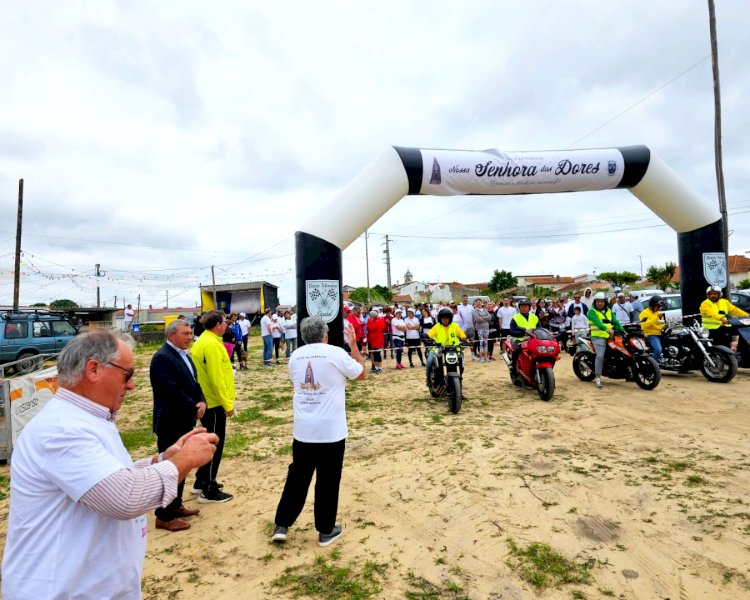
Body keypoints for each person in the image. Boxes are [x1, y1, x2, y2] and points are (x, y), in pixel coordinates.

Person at [1, 331, 218, 599]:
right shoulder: (62, 429)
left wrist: (162, 460)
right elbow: (125, 497)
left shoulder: (85, 418)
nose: (131, 386)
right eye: (127, 375)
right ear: (93, 369)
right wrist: (186, 460)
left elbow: (110, 478)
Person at [271, 317, 366, 547]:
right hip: (331, 432)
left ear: (303, 336)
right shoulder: (335, 353)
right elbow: (361, 373)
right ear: (325, 334)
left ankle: (282, 524)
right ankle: (325, 530)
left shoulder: (295, 356)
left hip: (303, 430)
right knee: (328, 480)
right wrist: (353, 345)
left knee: (297, 477)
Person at [150, 319, 207, 531]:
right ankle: (163, 515)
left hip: (185, 418)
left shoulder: (184, 355)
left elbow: (195, 383)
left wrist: (201, 400)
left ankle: (175, 505)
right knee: (170, 468)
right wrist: (193, 406)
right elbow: (170, 390)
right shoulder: (162, 358)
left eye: (190, 332)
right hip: (170, 421)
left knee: (182, 465)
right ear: (171, 335)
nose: (189, 336)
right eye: (185, 333)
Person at [191, 310, 235, 503]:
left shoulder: (203, 340)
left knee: (209, 440)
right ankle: (208, 488)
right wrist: (227, 404)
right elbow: (216, 379)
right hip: (214, 402)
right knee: (214, 444)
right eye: (225, 322)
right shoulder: (211, 345)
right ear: (218, 324)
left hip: (207, 400)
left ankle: (201, 480)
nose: (226, 325)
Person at [588, 292, 625, 388]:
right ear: (595, 302)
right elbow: (598, 323)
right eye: (598, 302)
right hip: (598, 337)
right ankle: (597, 378)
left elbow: (616, 322)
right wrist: (606, 329)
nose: (600, 303)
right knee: (600, 356)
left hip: (610, 336)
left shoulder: (609, 311)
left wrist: (623, 330)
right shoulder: (592, 312)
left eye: (601, 301)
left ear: (605, 302)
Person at [425, 307, 468, 384]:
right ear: (440, 319)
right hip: (438, 349)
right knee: (429, 361)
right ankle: (428, 378)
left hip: (453, 349)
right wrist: (426, 337)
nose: (445, 320)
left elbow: (462, 334)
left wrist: (465, 340)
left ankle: (458, 383)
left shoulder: (455, 326)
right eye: (443, 318)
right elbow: (430, 334)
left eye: (447, 318)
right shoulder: (437, 326)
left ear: (450, 318)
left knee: (461, 362)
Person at [509, 299, 539, 377]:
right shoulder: (515, 318)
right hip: (519, 339)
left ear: (529, 307)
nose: (524, 308)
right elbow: (512, 332)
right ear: (519, 308)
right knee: (516, 351)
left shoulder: (535, 317)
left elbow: (540, 329)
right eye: (522, 306)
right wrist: (523, 334)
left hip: (533, 340)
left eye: (526, 306)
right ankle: (513, 367)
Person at [639, 295, 666, 363]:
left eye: (660, 306)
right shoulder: (644, 313)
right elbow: (644, 325)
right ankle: (653, 366)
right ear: (652, 305)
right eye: (658, 306)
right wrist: (656, 318)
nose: (659, 308)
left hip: (660, 333)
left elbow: (661, 323)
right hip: (651, 334)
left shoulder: (658, 313)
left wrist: (664, 325)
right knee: (658, 349)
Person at [366, 309, 386, 374]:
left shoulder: (379, 320)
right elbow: (368, 327)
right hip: (373, 340)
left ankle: (379, 368)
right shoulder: (375, 320)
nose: (369, 317)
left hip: (378, 340)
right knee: (375, 354)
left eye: (371, 316)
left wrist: (371, 321)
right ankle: (377, 368)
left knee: (377, 354)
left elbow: (371, 328)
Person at [457, 295, 477, 360]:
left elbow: (473, 317)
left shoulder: (471, 307)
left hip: (471, 326)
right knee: (462, 342)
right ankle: (462, 356)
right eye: (464, 298)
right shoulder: (458, 307)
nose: (465, 300)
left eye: (466, 298)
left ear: (467, 299)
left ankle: (473, 355)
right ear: (462, 299)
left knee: (472, 341)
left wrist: (474, 325)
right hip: (462, 328)